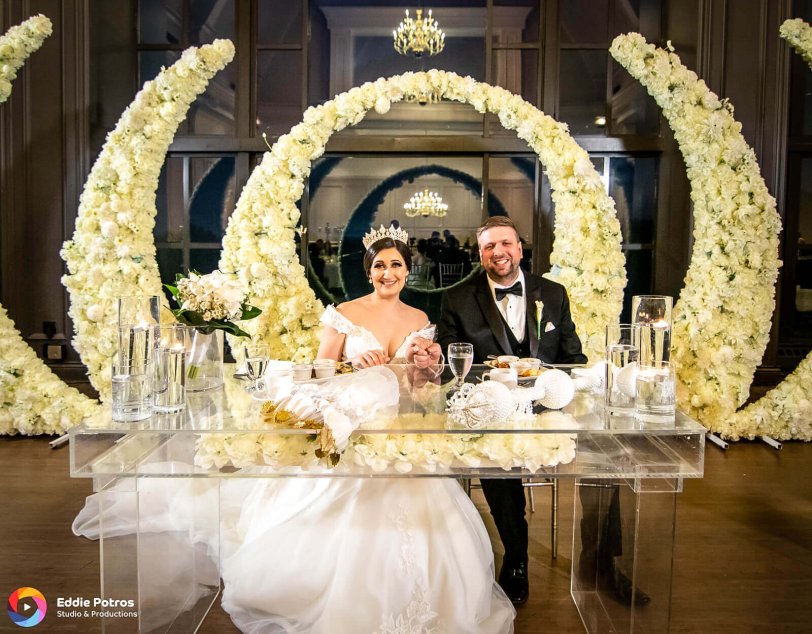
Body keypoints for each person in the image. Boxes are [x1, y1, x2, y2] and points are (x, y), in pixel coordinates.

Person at [437, 216, 587, 605]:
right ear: (480, 254)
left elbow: (573, 358)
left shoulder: (552, 293)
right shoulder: (457, 298)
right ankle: (517, 560)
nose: (498, 252)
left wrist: (562, 387)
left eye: (505, 243)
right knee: (497, 458)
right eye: (489, 246)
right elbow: (450, 369)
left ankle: (602, 561)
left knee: (607, 458)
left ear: (520, 248)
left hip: (548, 409)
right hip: (493, 410)